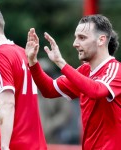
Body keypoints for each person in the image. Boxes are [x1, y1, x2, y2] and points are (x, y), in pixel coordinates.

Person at [25, 14, 121, 150]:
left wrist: (61, 62)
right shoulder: (84, 71)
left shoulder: (115, 69)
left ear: (101, 40)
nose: (75, 43)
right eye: (76, 37)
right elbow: (48, 90)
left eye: (82, 38)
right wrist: (33, 63)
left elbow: (96, 91)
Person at [0, 3, 47, 150]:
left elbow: (8, 104)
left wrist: (4, 147)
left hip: (11, 144)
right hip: (35, 145)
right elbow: (14, 100)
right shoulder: (23, 54)